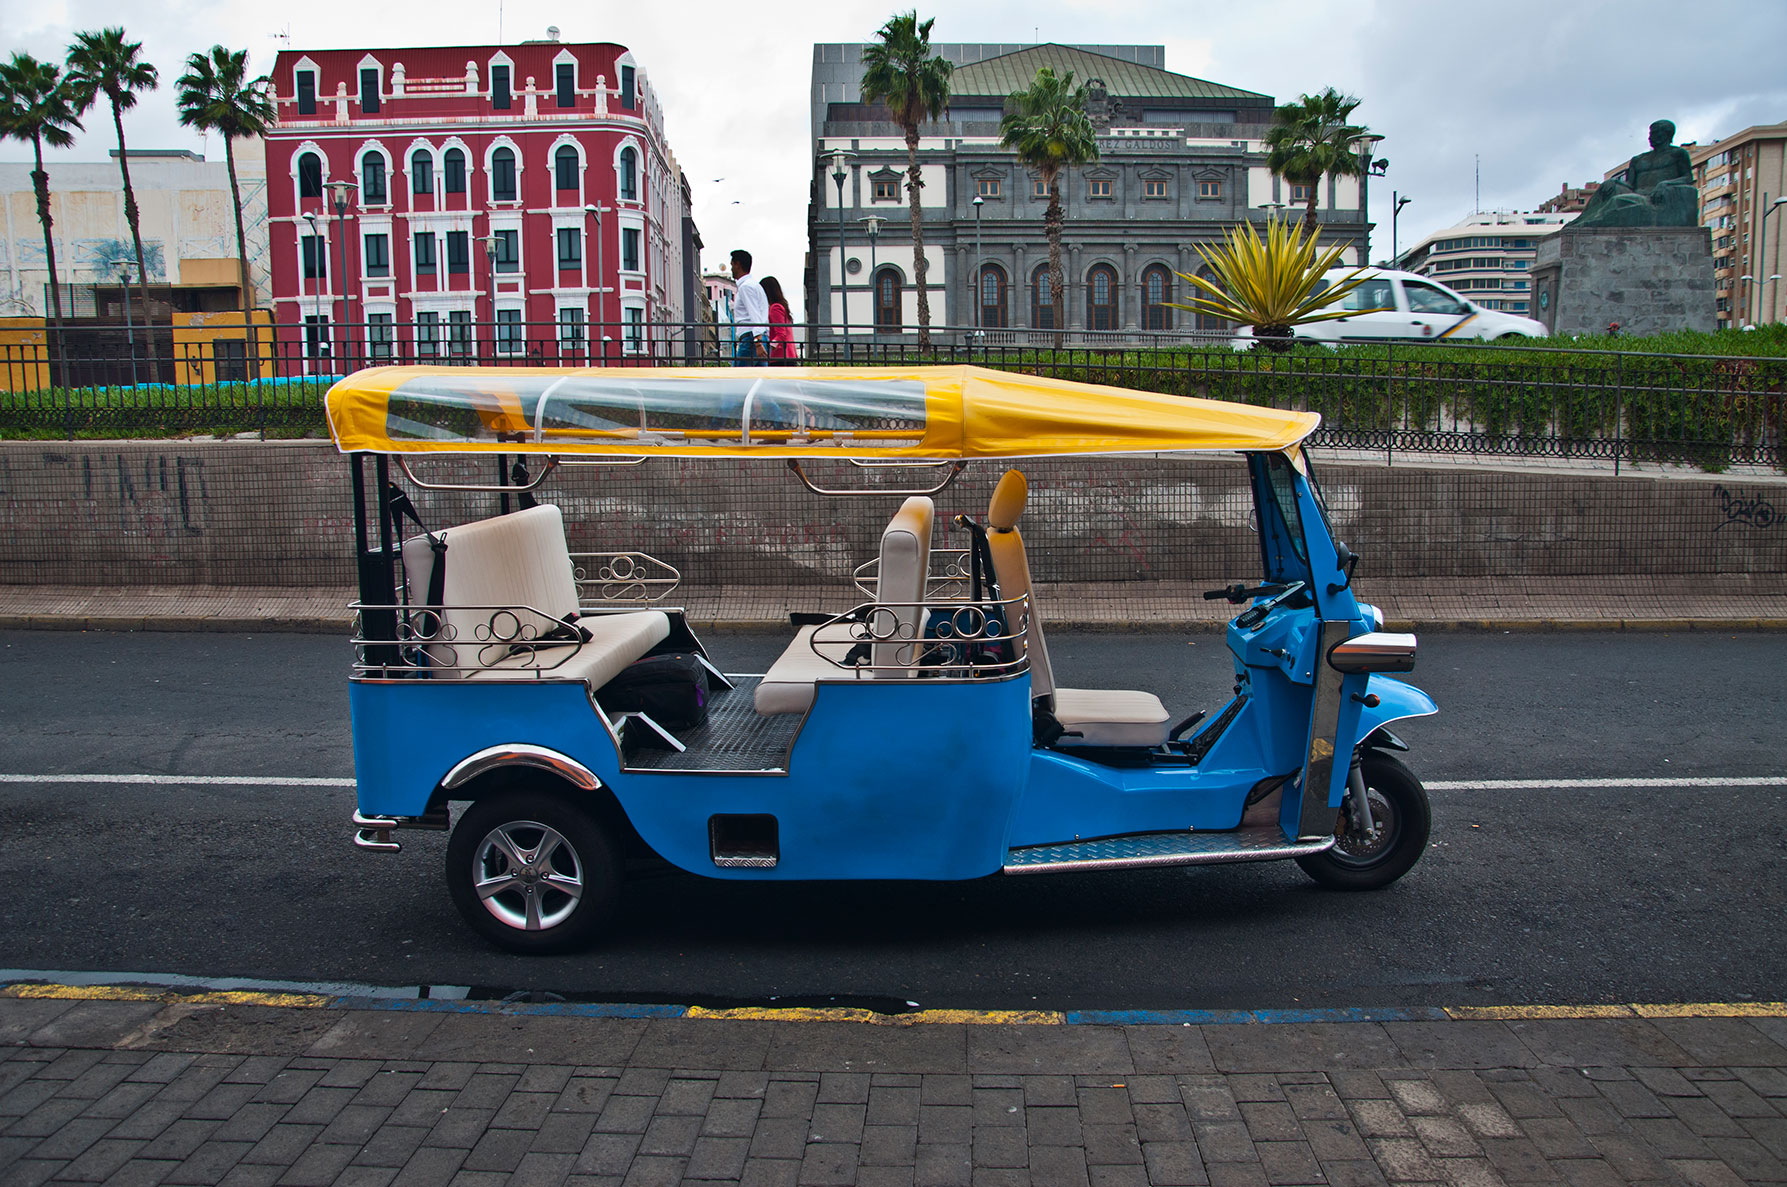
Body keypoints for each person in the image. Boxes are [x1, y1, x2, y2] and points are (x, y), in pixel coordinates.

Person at [1570, 120, 1699, 230]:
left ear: (1665, 134)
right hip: (1636, 193)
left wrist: (1665, 184)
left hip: (1653, 198)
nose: (1650, 137)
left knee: (1617, 201)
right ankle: (1581, 221)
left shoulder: (1678, 154)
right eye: (1650, 134)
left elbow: (1687, 178)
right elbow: (1630, 184)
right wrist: (1614, 182)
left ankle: (1591, 222)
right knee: (1607, 186)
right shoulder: (1639, 159)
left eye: (1653, 133)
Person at [729, 249, 769, 364]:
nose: (731, 269)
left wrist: (757, 342)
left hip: (751, 338)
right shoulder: (755, 286)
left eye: (732, 265)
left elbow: (754, 314)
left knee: (738, 379)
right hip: (759, 338)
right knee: (760, 378)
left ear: (737, 264)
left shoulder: (745, 287)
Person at [761, 276, 798, 364]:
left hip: (780, 356)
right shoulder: (782, 306)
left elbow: (781, 334)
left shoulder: (775, 308)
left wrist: (769, 347)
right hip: (788, 354)